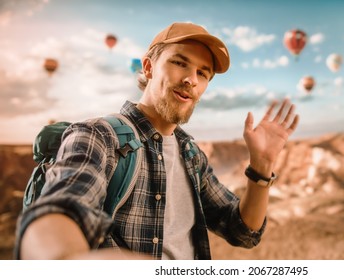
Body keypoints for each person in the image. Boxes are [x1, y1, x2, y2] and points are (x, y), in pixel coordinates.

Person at [15, 22, 299, 260]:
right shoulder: (98, 135)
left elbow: (242, 231)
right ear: (149, 67)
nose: (191, 79)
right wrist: (67, 261)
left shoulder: (190, 153)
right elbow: (61, 209)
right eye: (180, 63)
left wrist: (261, 166)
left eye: (203, 73)